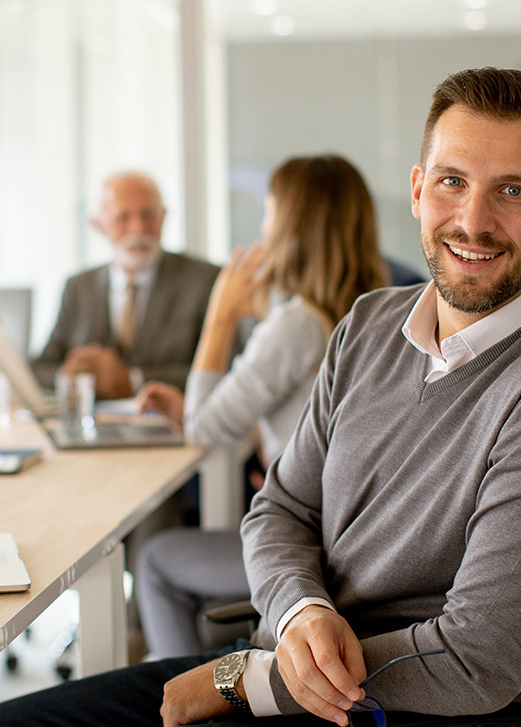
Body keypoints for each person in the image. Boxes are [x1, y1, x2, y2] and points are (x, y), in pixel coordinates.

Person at [0, 67, 521, 727]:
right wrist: (302, 612)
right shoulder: (369, 324)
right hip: (282, 661)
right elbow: (280, 509)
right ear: (419, 188)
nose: (473, 220)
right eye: (453, 182)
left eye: (511, 191)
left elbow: (474, 658)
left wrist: (243, 682)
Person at [133, 154, 389, 658]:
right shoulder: (377, 314)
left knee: (156, 561)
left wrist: (220, 316)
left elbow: (203, 430)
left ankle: (186, 723)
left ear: (292, 224)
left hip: (314, 552)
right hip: (362, 542)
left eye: (270, 211)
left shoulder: (297, 325)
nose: (263, 226)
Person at [32, 171, 221, 399]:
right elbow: (41, 368)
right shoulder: (78, 288)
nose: (138, 228)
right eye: (123, 218)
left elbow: (219, 371)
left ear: (163, 217)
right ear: (99, 224)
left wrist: (133, 380)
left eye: (148, 215)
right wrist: (73, 376)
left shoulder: (205, 281)